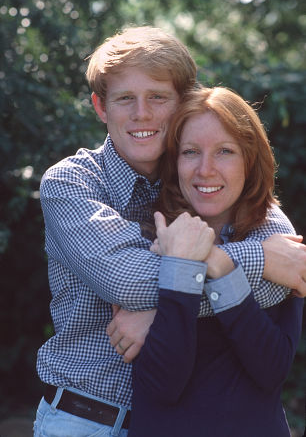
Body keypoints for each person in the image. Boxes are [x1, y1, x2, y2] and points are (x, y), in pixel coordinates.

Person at [33, 26, 306, 437]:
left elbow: (287, 277)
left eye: (157, 97)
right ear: (100, 107)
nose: (141, 113)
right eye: (125, 99)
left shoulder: (201, 179)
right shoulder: (72, 184)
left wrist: (159, 313)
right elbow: (126, 282)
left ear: (182, 103)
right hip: (85, 420)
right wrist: (259, 260)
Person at [127, 87, 304, 437]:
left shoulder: (277, 241)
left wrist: (215, 262)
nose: (205, 170)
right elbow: (163, 384)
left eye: (225, 151)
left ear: (250, 160)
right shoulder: (146, 232)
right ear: (174, 161)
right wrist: (186, 273)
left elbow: (272, 369)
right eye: (191, 152)